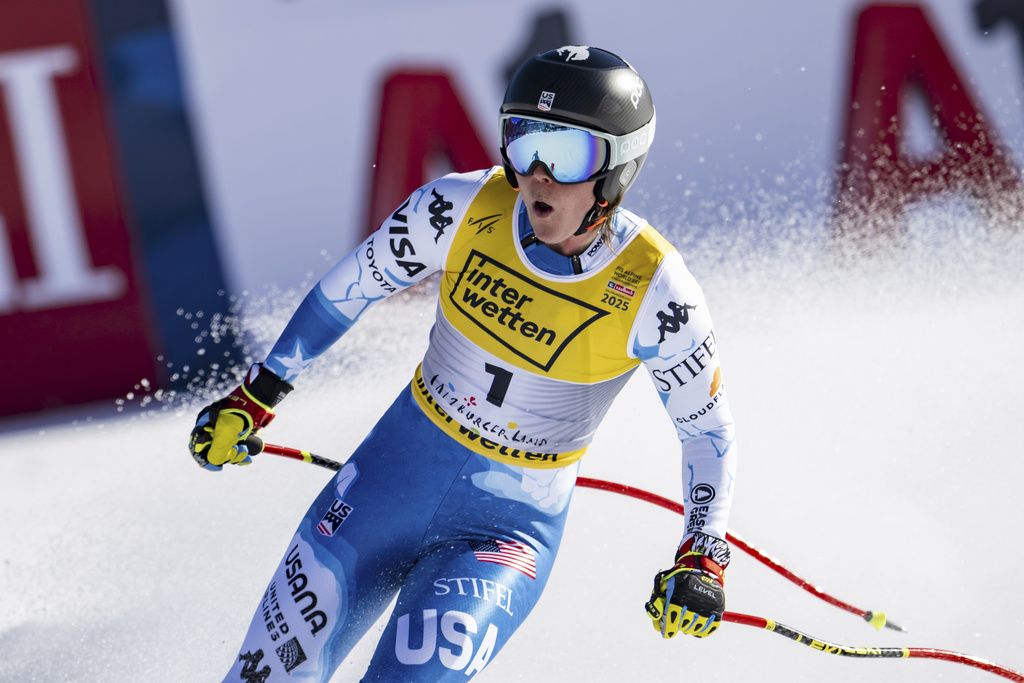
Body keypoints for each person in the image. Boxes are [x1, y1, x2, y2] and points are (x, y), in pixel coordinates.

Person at [189, 45, 737, 682]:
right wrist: (256, 396)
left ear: (619, 169)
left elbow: (707, 431)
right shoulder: (459, 206)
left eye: (566, 155)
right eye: (523, 139)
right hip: (383, 487)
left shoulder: (657, 290)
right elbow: (352, 287)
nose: (537, 174)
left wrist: (704, 556)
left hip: (503, 539)